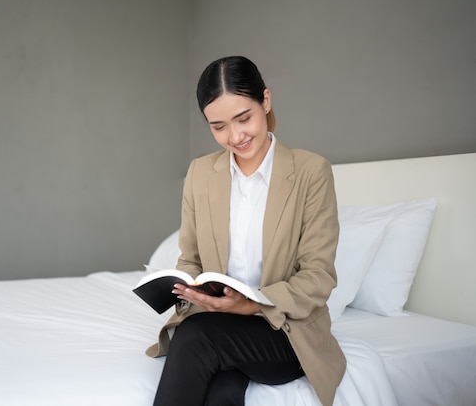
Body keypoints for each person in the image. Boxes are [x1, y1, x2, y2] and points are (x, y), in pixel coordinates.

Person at [146, 56, 346, 406]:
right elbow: (191, 258)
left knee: (195, 338)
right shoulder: (200, 173)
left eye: (244, 119)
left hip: (282, 329)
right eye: (219, 126)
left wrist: (252, 305)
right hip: (217, 322)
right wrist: (186, 288)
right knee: (220, 389)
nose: (235, 136)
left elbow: (318, 277)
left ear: (265, 102)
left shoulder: (311, 172)